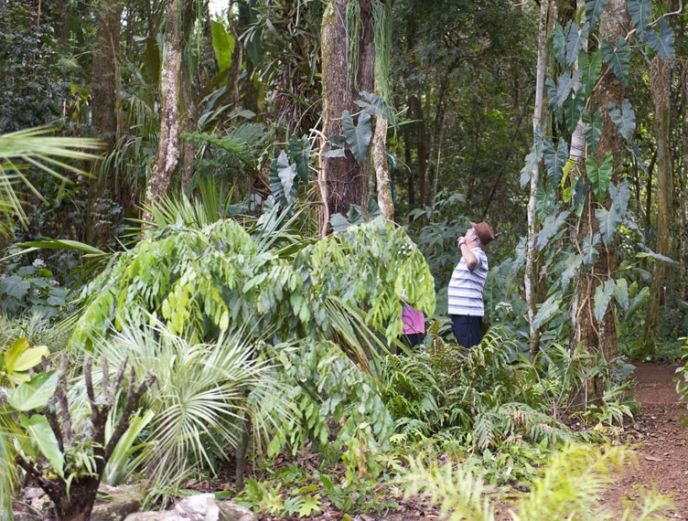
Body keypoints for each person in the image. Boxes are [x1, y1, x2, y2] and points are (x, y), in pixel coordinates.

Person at [447, 221, 495, 347]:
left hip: (467, 316)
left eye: (468, 231)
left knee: (467, 354)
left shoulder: (478, 255)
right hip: (463, 315)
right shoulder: (473, 254)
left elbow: (472, 261)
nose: (465, 233)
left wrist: (462, 243)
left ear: (473, 237)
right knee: (463, 354)